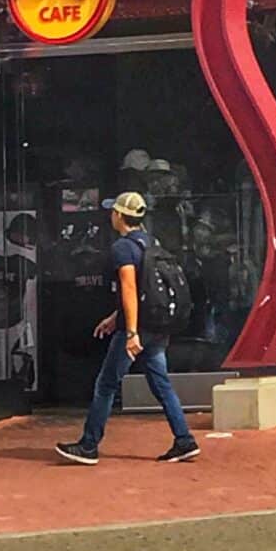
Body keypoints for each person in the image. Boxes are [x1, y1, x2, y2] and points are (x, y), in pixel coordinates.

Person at [54, 190, 199, 465]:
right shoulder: (150, 242)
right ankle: (184, 439)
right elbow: (143, 291)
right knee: (161, 384)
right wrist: (115, 316)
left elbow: (130, 288)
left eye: (113, 211)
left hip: (138, 329)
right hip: (157, 326)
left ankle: (89, 445)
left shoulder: (123, 247)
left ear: (119, 215)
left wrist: (130, 331)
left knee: (106, 384)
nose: (111, 215)